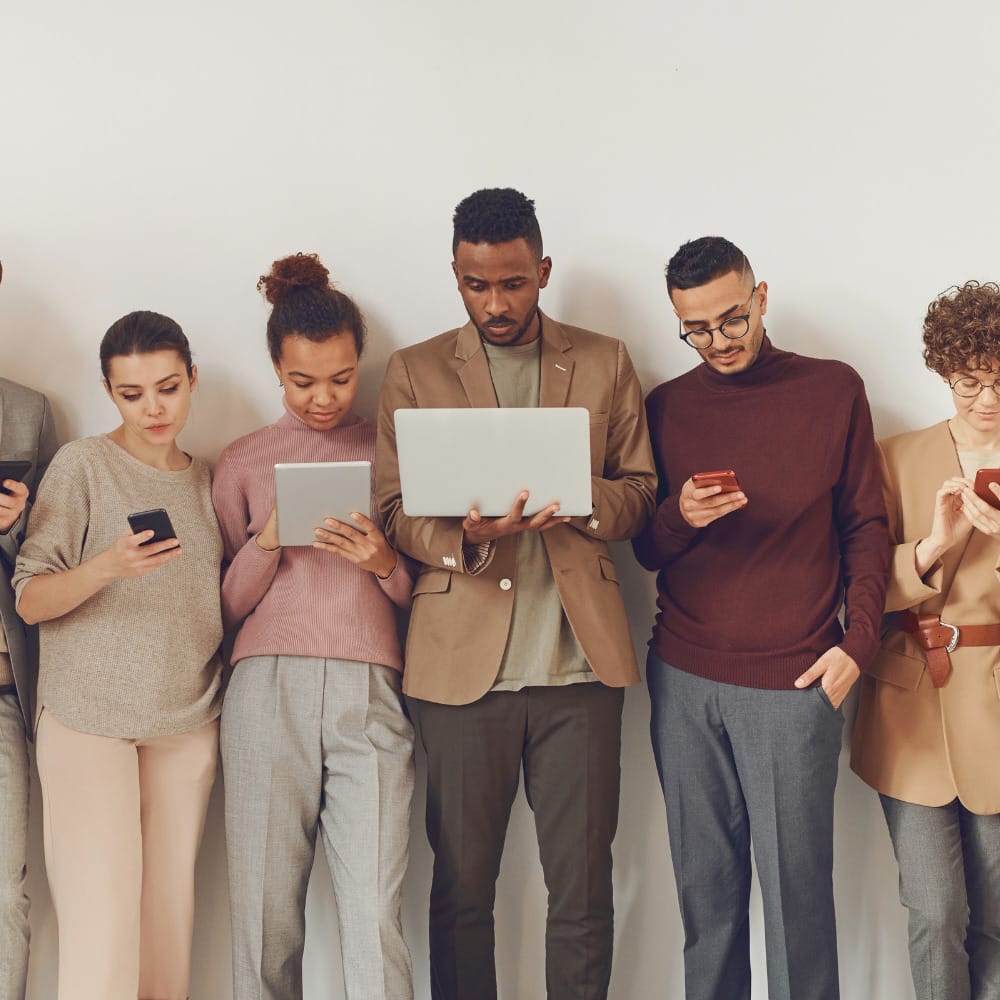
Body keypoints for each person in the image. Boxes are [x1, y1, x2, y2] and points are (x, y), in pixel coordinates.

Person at [376, 187, 656, 1000]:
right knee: (462, 893)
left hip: (580, 671)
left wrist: (581, 499)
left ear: (542, 271)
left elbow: (640, 491)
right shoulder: (416, 370)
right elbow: (394, 511)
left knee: (582, 892)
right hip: (461, 673)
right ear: (456, 276)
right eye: (476, 285)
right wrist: (467, 537)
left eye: (511, 283)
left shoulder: (605, 359)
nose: (495, 304)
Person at [632, 236, 888, 1000]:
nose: (718, 341)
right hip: (683, 680)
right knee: (704, 902)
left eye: (732, 319)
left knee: (797, 903)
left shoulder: (833, 390)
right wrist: (679, 515)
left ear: (761, 296)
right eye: (696, 329)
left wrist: (859, 645)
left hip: (795, 680)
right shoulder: (668, 405)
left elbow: (866, 527)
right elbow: (645, 548)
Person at [212, 252, 415, 1000]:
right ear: (275, 368)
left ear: (359, 362)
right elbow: (226, 608)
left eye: (340, 377)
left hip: (373, 688)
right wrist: (268, 542)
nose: (324, 398)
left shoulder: (389, 453)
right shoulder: (242, 462)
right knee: (265, 918)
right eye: (303, 381)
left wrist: (382, 558)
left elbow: (419, 592)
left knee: (375, 911)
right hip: (268, 688)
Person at [12, 311, 223, 1000]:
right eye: (132, 394)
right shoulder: (82, 465)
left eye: (167, 387)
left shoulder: (210, 482)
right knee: (102, 937)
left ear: (193, 380)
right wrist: (106, 566)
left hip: (185, 723)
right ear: (109, 392)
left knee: (168, 934)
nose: (153, 408)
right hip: (86, 723)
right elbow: (31, 600)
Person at [851, 280, 1000, 1000]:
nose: (987, 401)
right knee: (935, 909)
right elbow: (859, 592)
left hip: (996, 708)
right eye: (970, 381)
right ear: (943, 371)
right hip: (907, 710)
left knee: (997, 917)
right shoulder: (894, 458)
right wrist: (931, 547)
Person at [0, 259, 59, 1000]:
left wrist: (12, 533)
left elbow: (43, 569)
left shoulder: (25, 413)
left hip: (4, 693)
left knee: (5, 890)